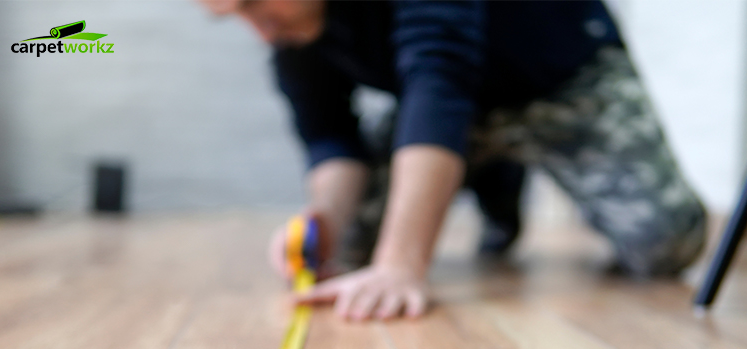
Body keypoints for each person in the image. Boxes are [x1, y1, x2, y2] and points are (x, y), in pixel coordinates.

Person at [199, 0, 708, 321]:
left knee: (664, 247)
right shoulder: (293, 35)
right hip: (450, 115)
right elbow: (331, 138)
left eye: (254, 4)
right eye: (235, 16)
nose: (259, 31)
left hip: (562, 82)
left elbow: (438, 82)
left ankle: (495, 171)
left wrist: (402, 266)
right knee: (351, 249)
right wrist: (324, 220)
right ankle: (493, 178)